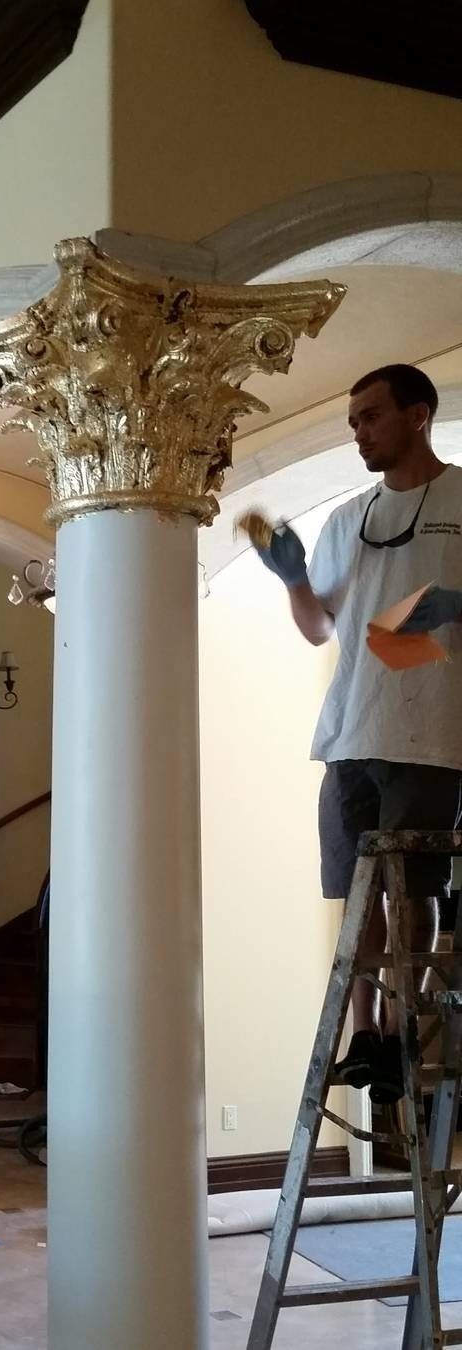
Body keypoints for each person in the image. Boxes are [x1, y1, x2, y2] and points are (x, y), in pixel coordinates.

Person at [253, 364, 462, 1104]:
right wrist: (291, 580)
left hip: (432, 733)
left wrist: (456, 605)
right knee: (357, 893)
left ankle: (408, 1032)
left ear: (418, 414)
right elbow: (319, 630)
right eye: (351, 420)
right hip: (350, 733)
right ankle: (367, 1038)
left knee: (411, 889)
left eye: (370, 416)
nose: (358, 432)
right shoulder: (348, 518)